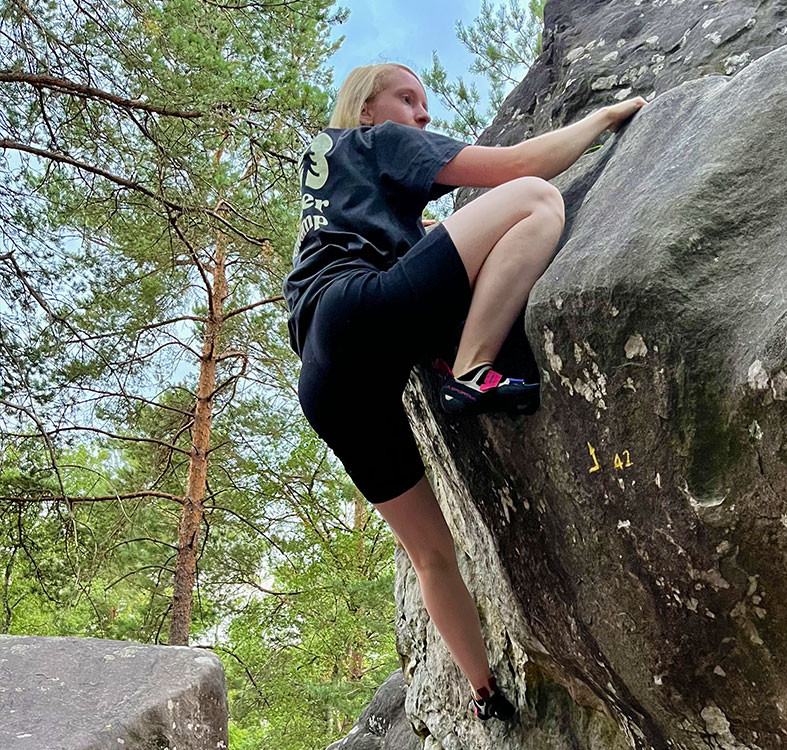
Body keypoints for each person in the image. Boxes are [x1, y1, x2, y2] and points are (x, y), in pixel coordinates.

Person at [282, 61, 646, 722]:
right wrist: (601, 120)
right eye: (407, 99)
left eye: (426, 102)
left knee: (431, 552)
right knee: (538, 199)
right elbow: (517, 166)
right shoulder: (374, 142)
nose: (422, 115)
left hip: (326, 381)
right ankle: (472, 372)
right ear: (366, 109)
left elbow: (398, 250)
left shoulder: (328, 171)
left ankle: (482, 691)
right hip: (355, 315)